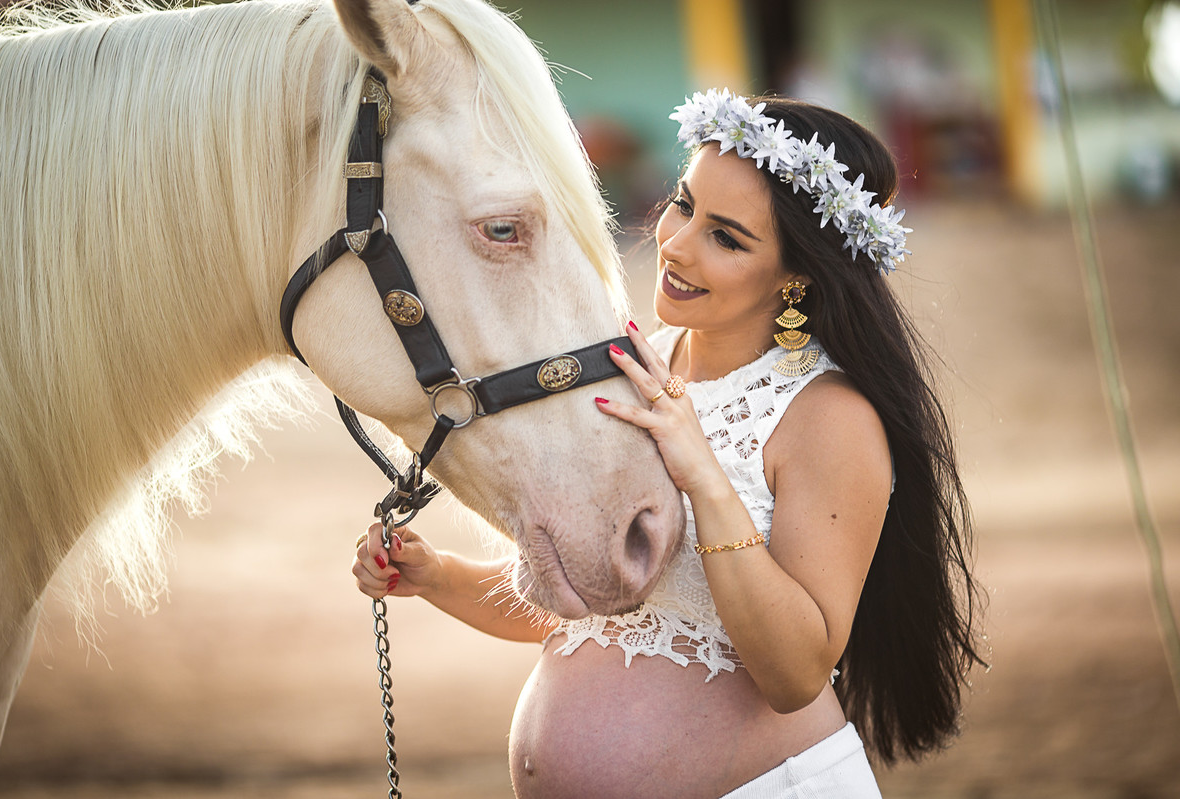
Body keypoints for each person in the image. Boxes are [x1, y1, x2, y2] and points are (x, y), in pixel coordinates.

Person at [353, 89, 985, 798]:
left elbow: (793, 675)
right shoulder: (629, 366)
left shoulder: (828, 417)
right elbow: (592, 602)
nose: (676, 244)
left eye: (727, 238)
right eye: (683, 204)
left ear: (798, 275)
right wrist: (437, 575)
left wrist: (705, 480)